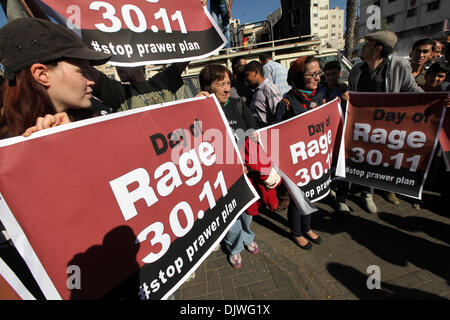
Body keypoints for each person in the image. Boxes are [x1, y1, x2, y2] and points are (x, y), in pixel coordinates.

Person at [0, 17, 111, 298]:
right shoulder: (6, 156)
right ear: (42, 74)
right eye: (81, 68)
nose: (92, 79)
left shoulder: (98, 113)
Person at [197, 64, 281, 268]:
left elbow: (251, 129)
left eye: (228, 83)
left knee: (247, 210)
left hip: (245, 172)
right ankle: (234, 247)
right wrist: (196, 107)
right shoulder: (199, 110)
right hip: (221, 177)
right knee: (230, 214)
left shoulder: (237, 103)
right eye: (220, 84)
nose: (226, 88)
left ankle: (248, 237)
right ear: (207, 87)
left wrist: (249, 162)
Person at [348, 30, 423, 214]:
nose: (363, 47)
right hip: (361, 127)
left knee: (380, 160)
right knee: (364, 160)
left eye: (367, 44)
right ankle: (365, 193)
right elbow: (351, 93)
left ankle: (378, 190)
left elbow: (413, 91)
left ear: (378, 48)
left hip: (385, 128)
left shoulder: (398, 67)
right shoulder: (357, 69)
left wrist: (437, 100)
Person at [273, 56, 323, 249]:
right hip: (294, 161)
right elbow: (274, 134)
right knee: (296, 198)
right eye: (313, 74)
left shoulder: (320, 97)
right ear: (299, 77)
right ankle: (296, 232)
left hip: (313, 158)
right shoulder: (285, 103)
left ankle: (307, 227)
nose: (318, 78)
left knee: (310, 193)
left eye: (319, 73)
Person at [89, 62, 188, 112]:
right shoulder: (120, 93)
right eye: (116, 63)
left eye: (123, 61)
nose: (118, 67)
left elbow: (188, 53)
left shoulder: (162, 82)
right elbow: (89, 72)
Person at [244, 61, 283, 128]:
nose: (246, 79)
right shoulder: (258, 90)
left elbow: (280, 114)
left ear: (255, 73)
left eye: (247, 75)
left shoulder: (269, 88)